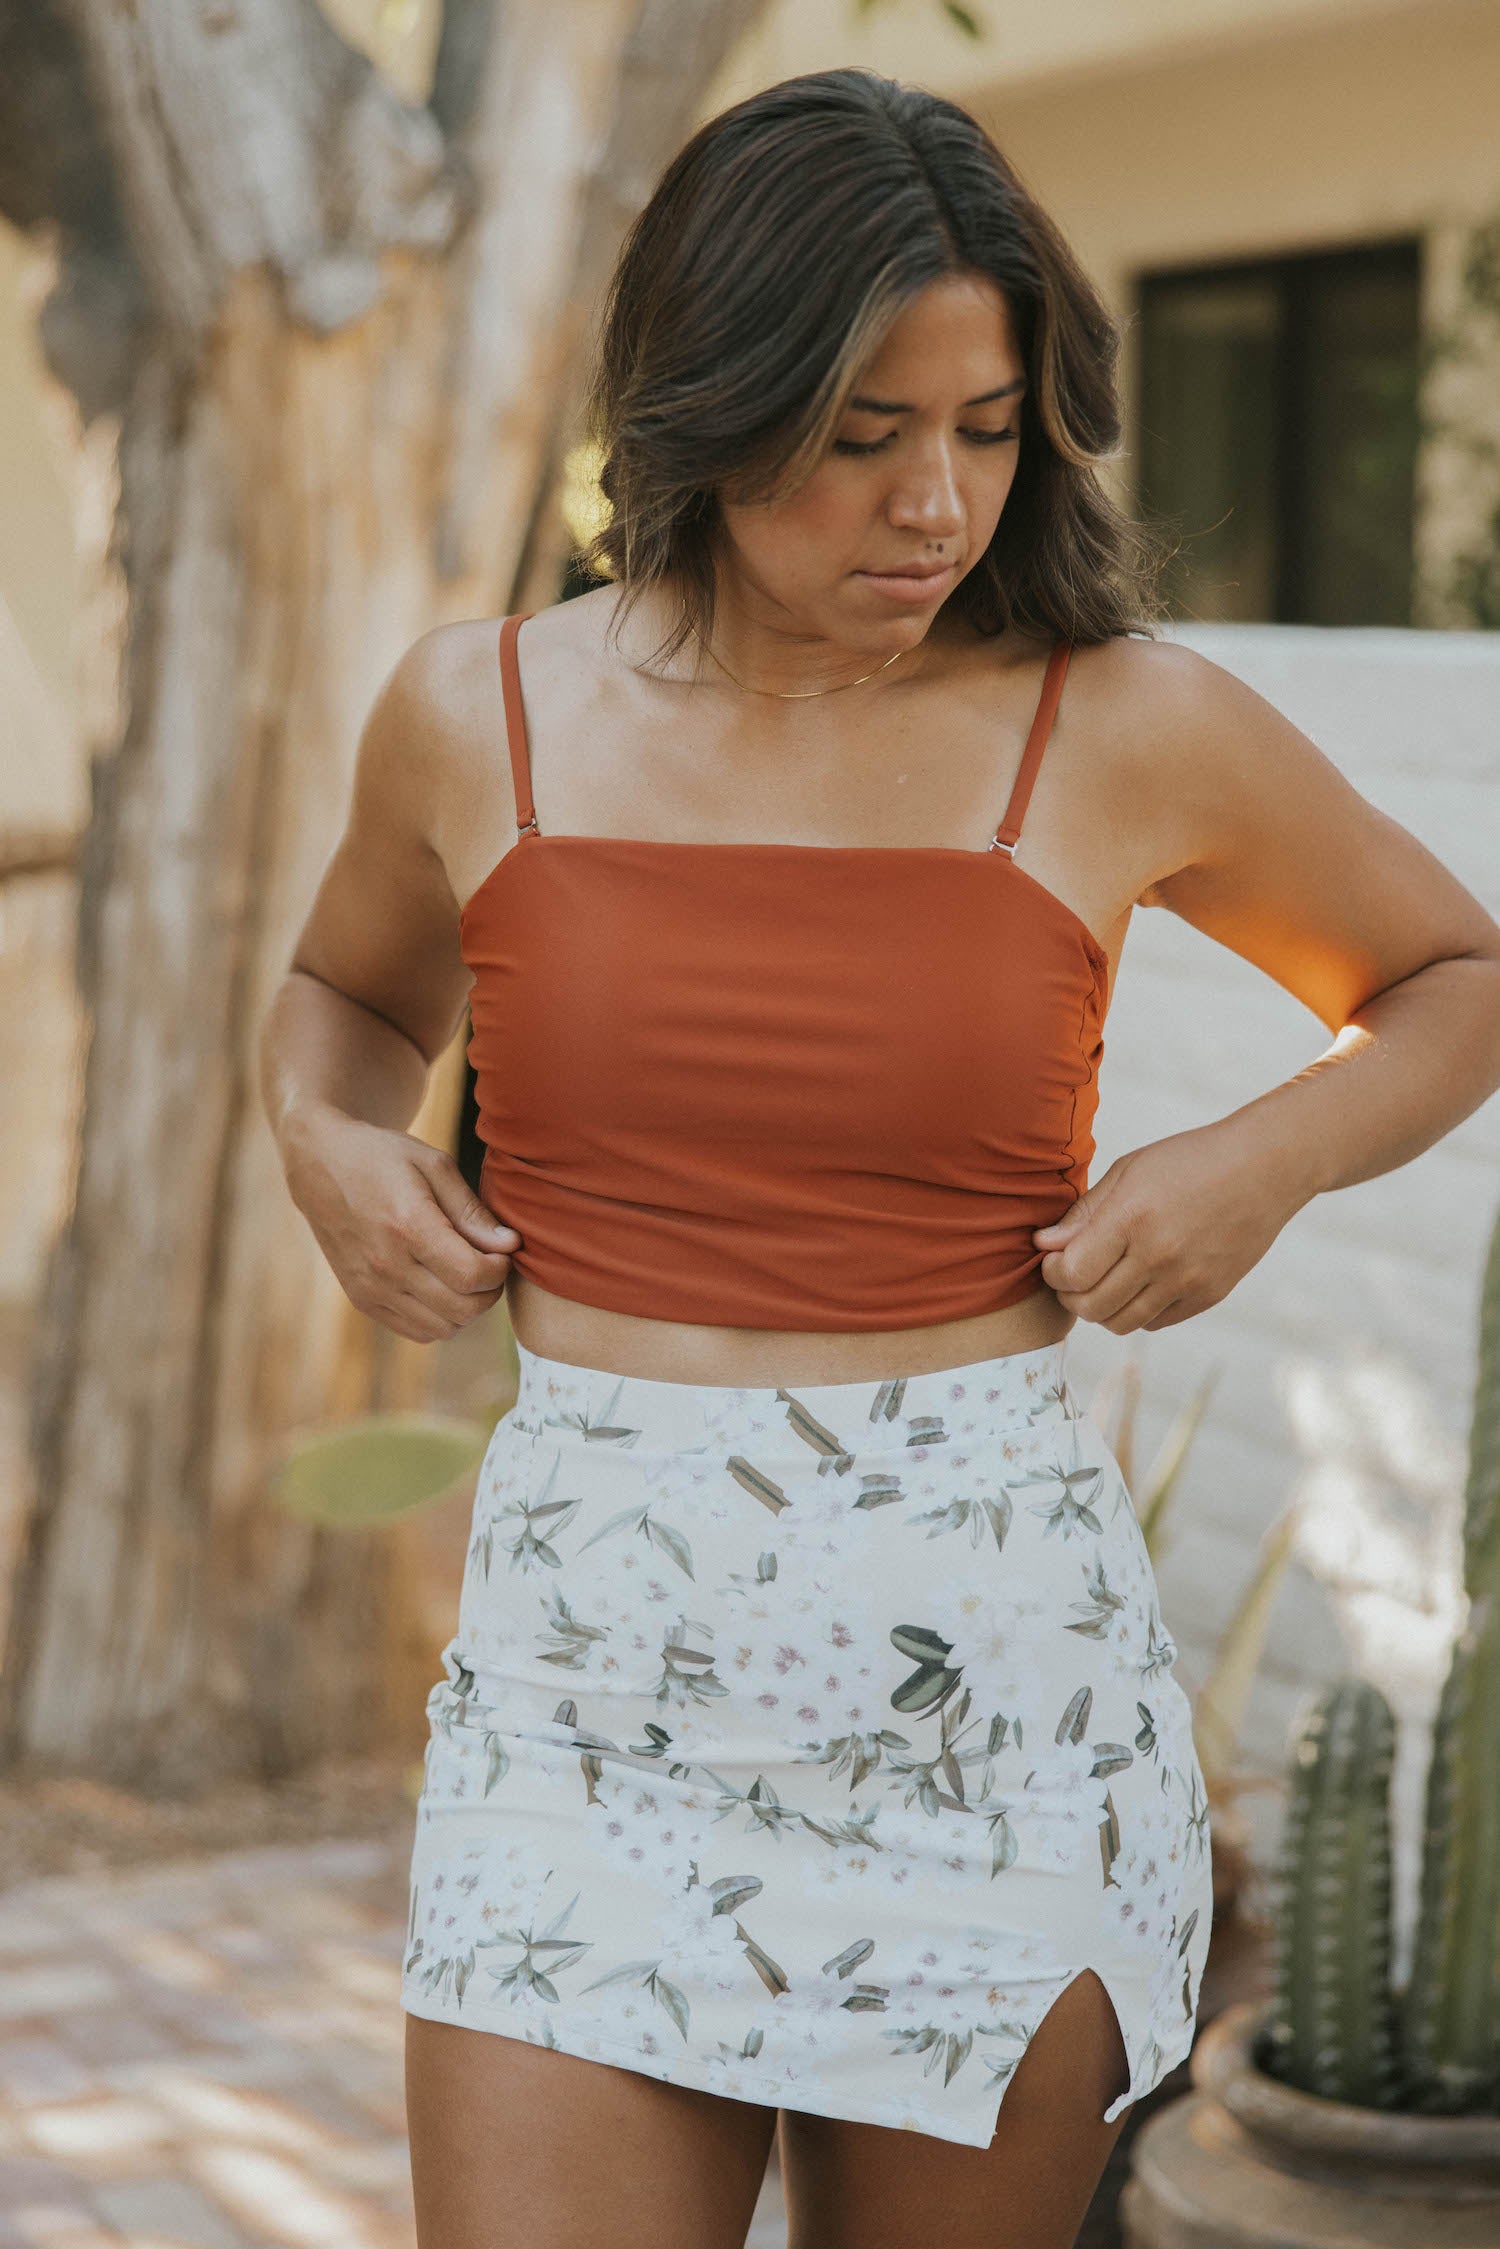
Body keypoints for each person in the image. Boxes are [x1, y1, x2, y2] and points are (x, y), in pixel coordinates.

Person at [258, 65, 1500, 2249]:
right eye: (863, 435)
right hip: (585, 1710)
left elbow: (1450, 976)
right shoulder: (481, 711)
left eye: (991, 429)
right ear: (705, 406)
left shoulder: (1116, 724)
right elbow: (344, 1006)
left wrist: (1260, 1161)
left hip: (988, 1716)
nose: (936, 503)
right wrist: (324, 1139)